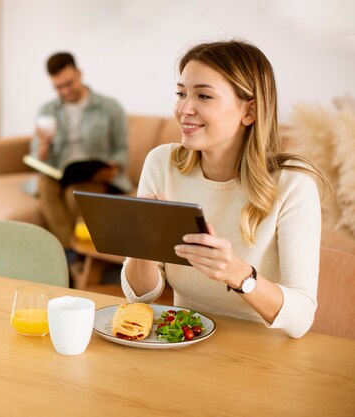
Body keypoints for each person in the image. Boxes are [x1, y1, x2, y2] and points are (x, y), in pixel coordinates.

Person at [121, 40, 329, 338]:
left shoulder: (293, 185)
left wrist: (237, 274)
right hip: (185, 342)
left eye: (203, 96)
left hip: (262, 357)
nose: (183, 109)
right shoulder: (161, 164)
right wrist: (140, 248)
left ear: (249, 112)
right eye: (181, 93)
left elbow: (301, 319)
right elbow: (142, 295)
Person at [30, 52, 131, 253]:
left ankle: (68, 256)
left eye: (69, 83)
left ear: (79, 74)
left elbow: (122, 149)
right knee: (44, 184)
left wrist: (114, 166)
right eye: (59, 87)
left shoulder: (109, 107)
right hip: (60, 172)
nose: (65, 91)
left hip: (94, 175)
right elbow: (35, 157)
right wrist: (43, 146)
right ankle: (71, 253)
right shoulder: (47, 111)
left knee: (72, 194)